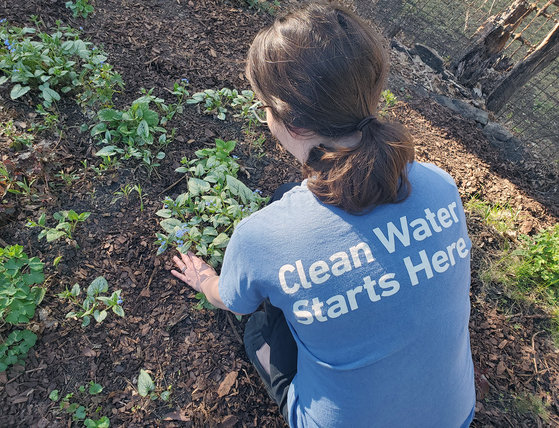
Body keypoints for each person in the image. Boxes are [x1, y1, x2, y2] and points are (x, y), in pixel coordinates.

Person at [171, 2, 476, 427]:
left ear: (289, 121)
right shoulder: (440, 185)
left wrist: (206, 279)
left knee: (258, 327)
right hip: (455, 416)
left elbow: (234, 302)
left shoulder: (263, 237)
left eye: (264, 105)